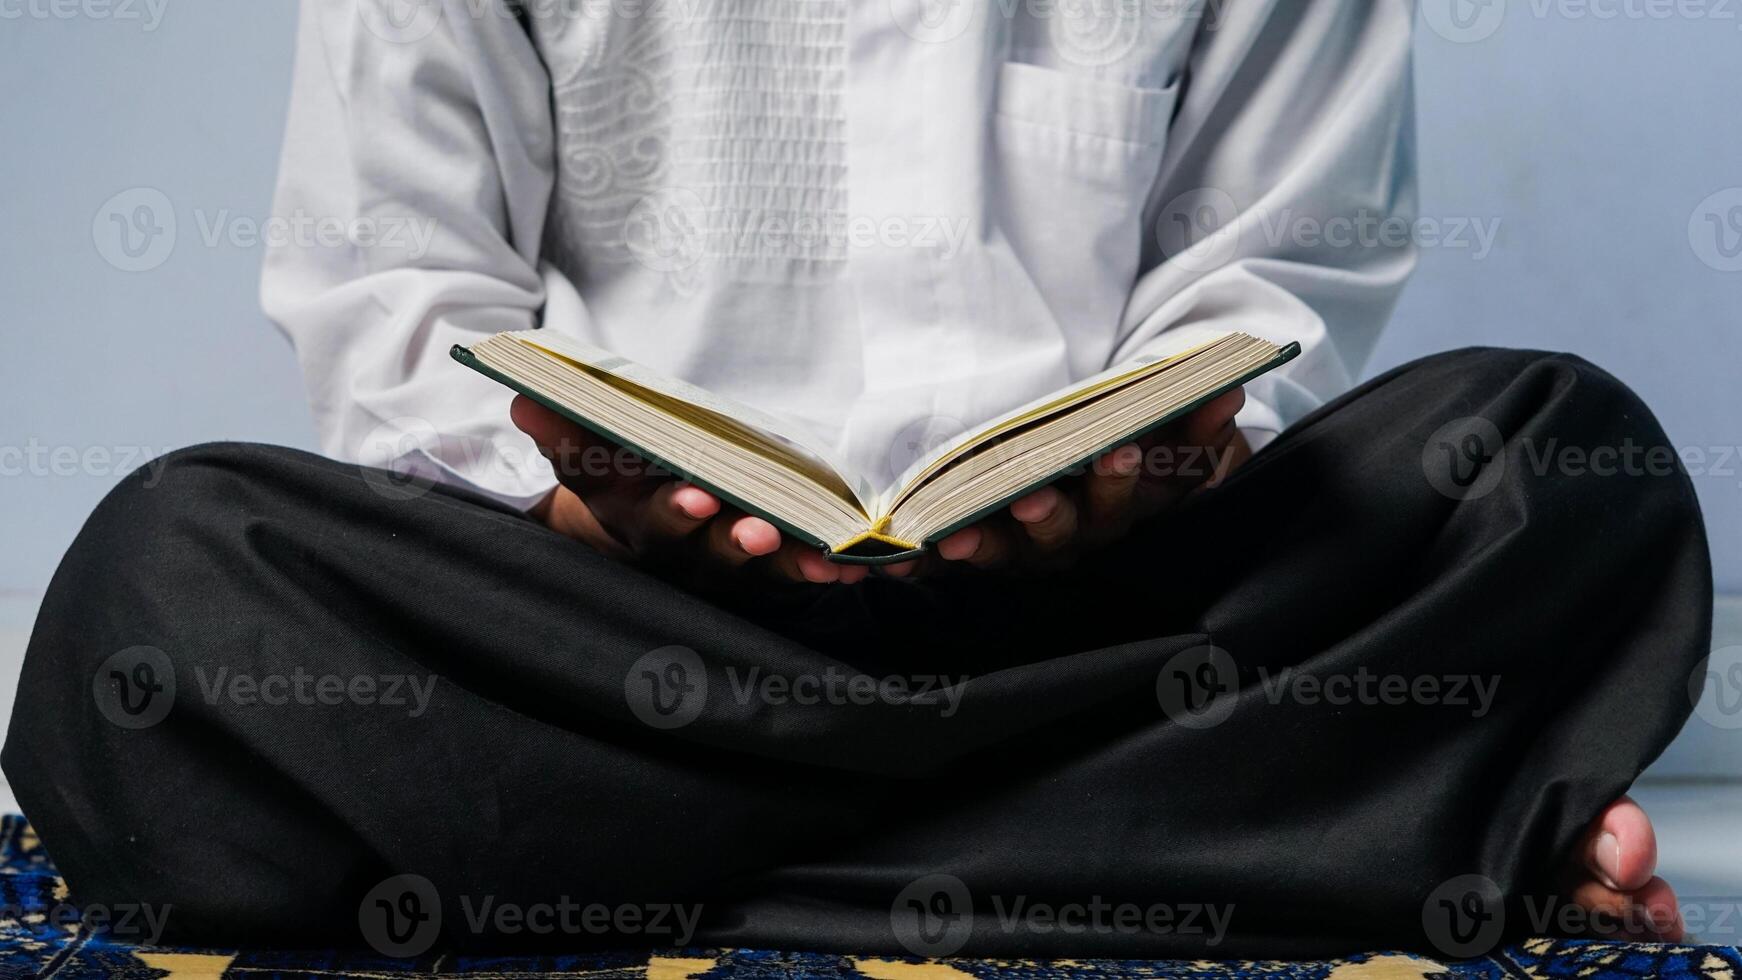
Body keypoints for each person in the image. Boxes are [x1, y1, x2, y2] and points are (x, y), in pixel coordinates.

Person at [2, 0, 1711, 959]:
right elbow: (395, 299)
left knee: (1564, 452)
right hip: (618, 628)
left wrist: (1145, 466)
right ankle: (1327, 834)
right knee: (176, 564)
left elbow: (1271, 279)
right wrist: (599, 501)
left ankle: (601, 869)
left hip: (1107, 618)